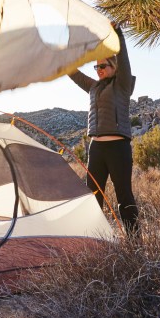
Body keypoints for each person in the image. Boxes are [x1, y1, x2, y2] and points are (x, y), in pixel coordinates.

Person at [68, 23, 139, 235]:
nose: (98, 70)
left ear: (114, 67)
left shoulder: (123, 84)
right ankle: (94, 240)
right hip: (96, 149)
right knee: (93, 196)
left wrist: (118, 34)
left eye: (103, 67)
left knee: (123, 195)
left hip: (118, 148)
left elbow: (124, 59)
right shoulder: (94, 86)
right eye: (96, 67)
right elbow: (75, 75)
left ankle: (134, 242)